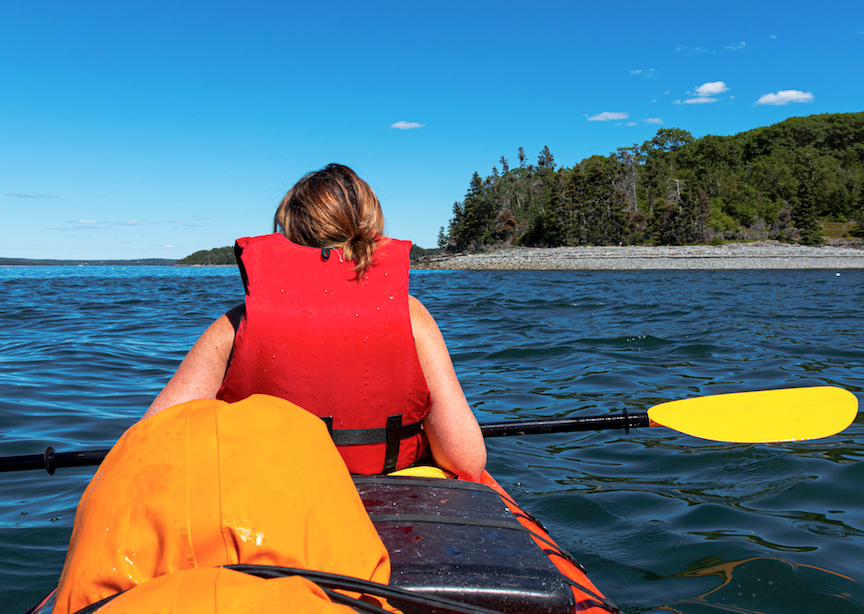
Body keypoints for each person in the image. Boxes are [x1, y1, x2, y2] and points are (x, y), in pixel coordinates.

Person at [143, 164, 486, 481]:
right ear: (372, 230)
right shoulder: (410, 316)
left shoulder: (236, 326)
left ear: (288, 233)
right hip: (389, 502)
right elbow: (467, 460)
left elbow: (150, 445)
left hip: (274, 506)